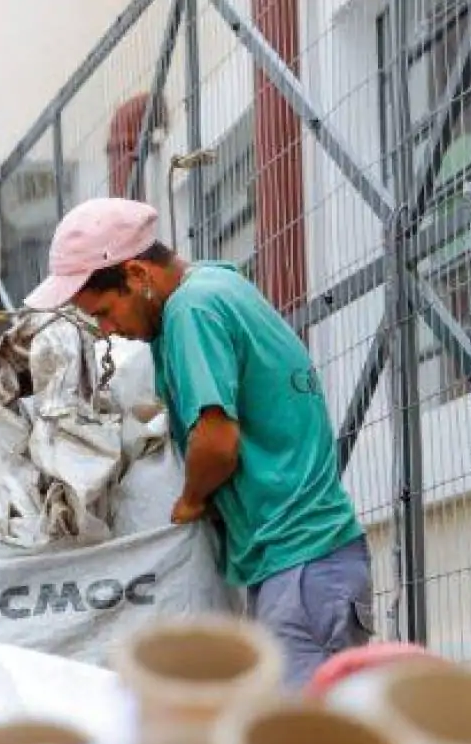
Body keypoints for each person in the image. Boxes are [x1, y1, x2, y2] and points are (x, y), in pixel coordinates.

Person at [25, 197, 372, 688]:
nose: (108, 330)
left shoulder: (192, 311)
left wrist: (192, 500)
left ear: (138, 275)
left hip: (302, 566)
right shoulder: (214, 283)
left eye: (105, 311)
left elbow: (217, 438)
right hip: (303, 564)